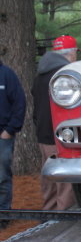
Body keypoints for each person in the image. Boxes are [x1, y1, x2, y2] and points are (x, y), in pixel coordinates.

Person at [31, 35, 78, 211]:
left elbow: (36, 106)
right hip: (63, 135)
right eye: (75, 52)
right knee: (65, 181)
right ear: (71, 53)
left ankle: (49, 214)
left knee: (48, 178)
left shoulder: (40, 75)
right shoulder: (67, 75)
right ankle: (63, 221)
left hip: (43, 134)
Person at [0, 60, 26, 229]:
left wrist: (9, 130)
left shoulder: (7, 75)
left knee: (2, 176)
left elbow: (20, 103)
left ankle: (3, 214)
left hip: (3, 135)